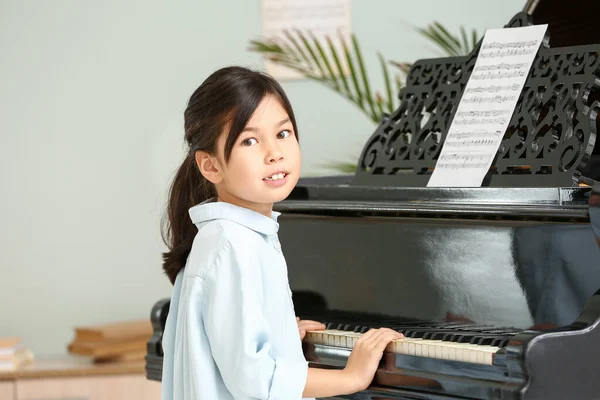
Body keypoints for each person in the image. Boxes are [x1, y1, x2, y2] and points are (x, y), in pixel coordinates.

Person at [159, 66, 403, 400]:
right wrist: (351, 378)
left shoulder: (235, 235)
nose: (274, 153)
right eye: (249, 140)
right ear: (211, 165)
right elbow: (254, 380)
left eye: (283, 133)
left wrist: (282, 335)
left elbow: (231, 345)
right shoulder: (231, 244)